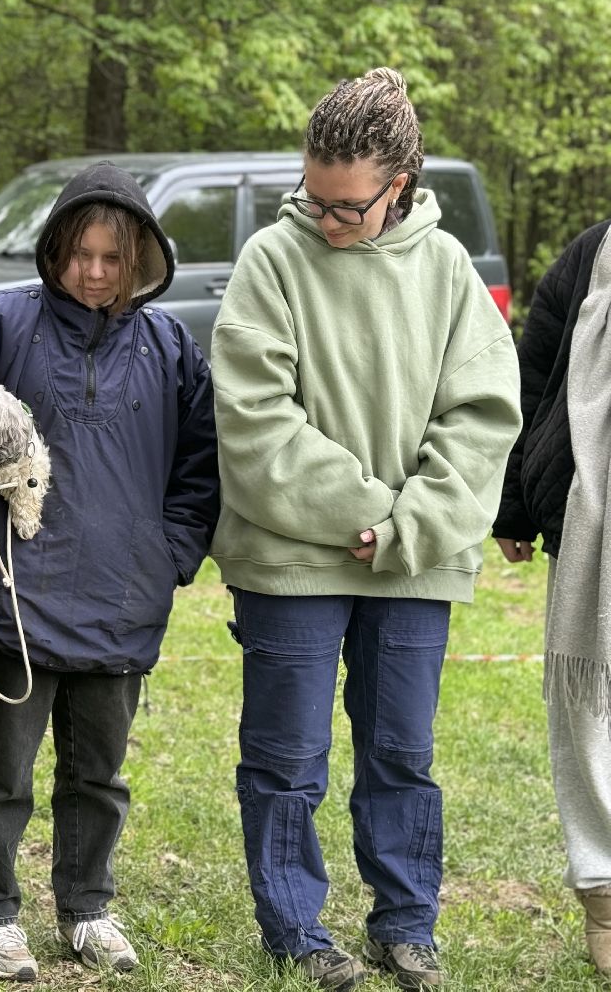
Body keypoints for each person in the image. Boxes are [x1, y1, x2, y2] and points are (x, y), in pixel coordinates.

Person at [209, 68, 521, 992]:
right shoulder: (273, 258)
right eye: (315, 199)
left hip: (416, 562)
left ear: (402, 183)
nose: (326, 219)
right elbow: (254, 417)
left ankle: (406, 924)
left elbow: (483, 415)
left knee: (401, 754)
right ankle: (297, 931)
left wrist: (407, 526)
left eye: (347, 207)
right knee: (286, 757)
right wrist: (363, 512)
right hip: (291, 558)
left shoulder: (451, 270)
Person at [0, 163, 220, 981]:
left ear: (141, 258)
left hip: (121, 598)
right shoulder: (3, 323)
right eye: (80, 253)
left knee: (99, 775)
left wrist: (169, 554)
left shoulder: (169, 345)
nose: (96, 272)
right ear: (55, 251)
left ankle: (87, 907)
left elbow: (202, 464)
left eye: (114, 257)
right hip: (12, 593)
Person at [494, 218, 611, 978]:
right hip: (590, 517)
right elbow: (531, 379)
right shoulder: (591, 255)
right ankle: (605, 893)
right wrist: (514, 502)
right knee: (592, 713)